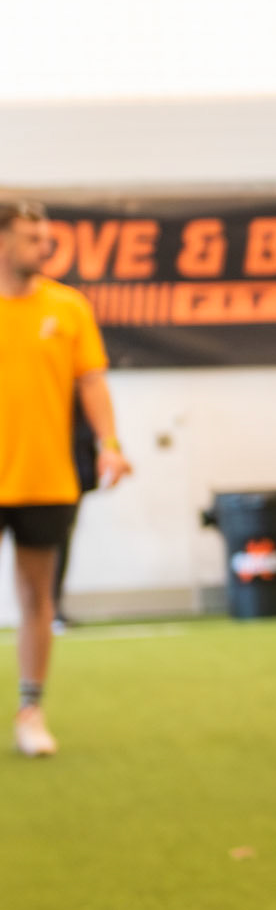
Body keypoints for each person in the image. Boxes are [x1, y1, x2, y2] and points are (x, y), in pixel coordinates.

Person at [0, 198, 132, 755]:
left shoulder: (69, 306)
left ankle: (31, 712)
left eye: (45, 237)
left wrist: (110, 445)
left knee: (38, 597)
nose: (44, 247)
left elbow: (92, 382)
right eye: (31, 238)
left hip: (46, 478)